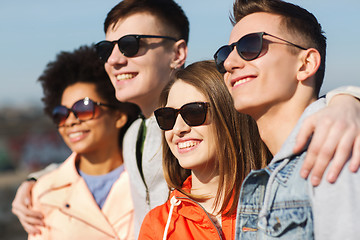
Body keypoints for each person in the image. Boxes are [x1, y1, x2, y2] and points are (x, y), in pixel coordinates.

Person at [12, 0, 360, 237]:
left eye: (131, 44)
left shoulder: (332, 145)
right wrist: (34, 180)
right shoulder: (134, 135)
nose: (115, 58)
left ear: (178, 52)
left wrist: (347, 100)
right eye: (107, 49)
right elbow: (89, 162)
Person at [213, 0, 360, 239]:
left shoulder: (336, 151)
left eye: (250, 45)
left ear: (306, 64)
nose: (229, 63)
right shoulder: (272, 173)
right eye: (224, 54)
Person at [139, 60, 271, 239]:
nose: (178, 129)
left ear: (231, 116)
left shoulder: (278, 202)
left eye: (194, 112)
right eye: (168, 117)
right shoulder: (158, 226)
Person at [28, 45, 140, 239]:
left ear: (119, 116)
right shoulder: (44, 191)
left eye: (84, 108)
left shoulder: (148, 181)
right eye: (61, 114)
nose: (71, 120)